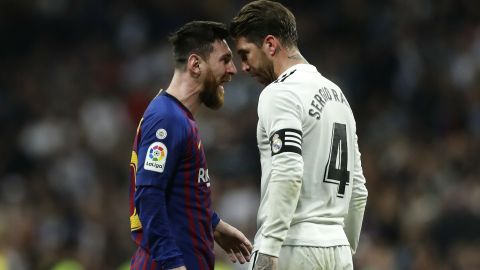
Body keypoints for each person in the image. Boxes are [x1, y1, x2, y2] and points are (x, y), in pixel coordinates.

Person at [229, 1, 368, 269]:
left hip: (293, 245)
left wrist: (268, 248)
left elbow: (289, 169)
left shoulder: (280, 93)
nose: (243, 66)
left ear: (270, 44)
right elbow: (358, 188)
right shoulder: (339, 97)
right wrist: (345, 246)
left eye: (245, 54)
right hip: (337, 247)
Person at [128, 21, 253, 270]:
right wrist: (173, 264)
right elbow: (149, 195)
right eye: (225, 60)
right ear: (196, 65)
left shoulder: (179, 117)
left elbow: (178, 193)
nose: (233, 70)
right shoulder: (167, 118)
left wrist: (214, 224)